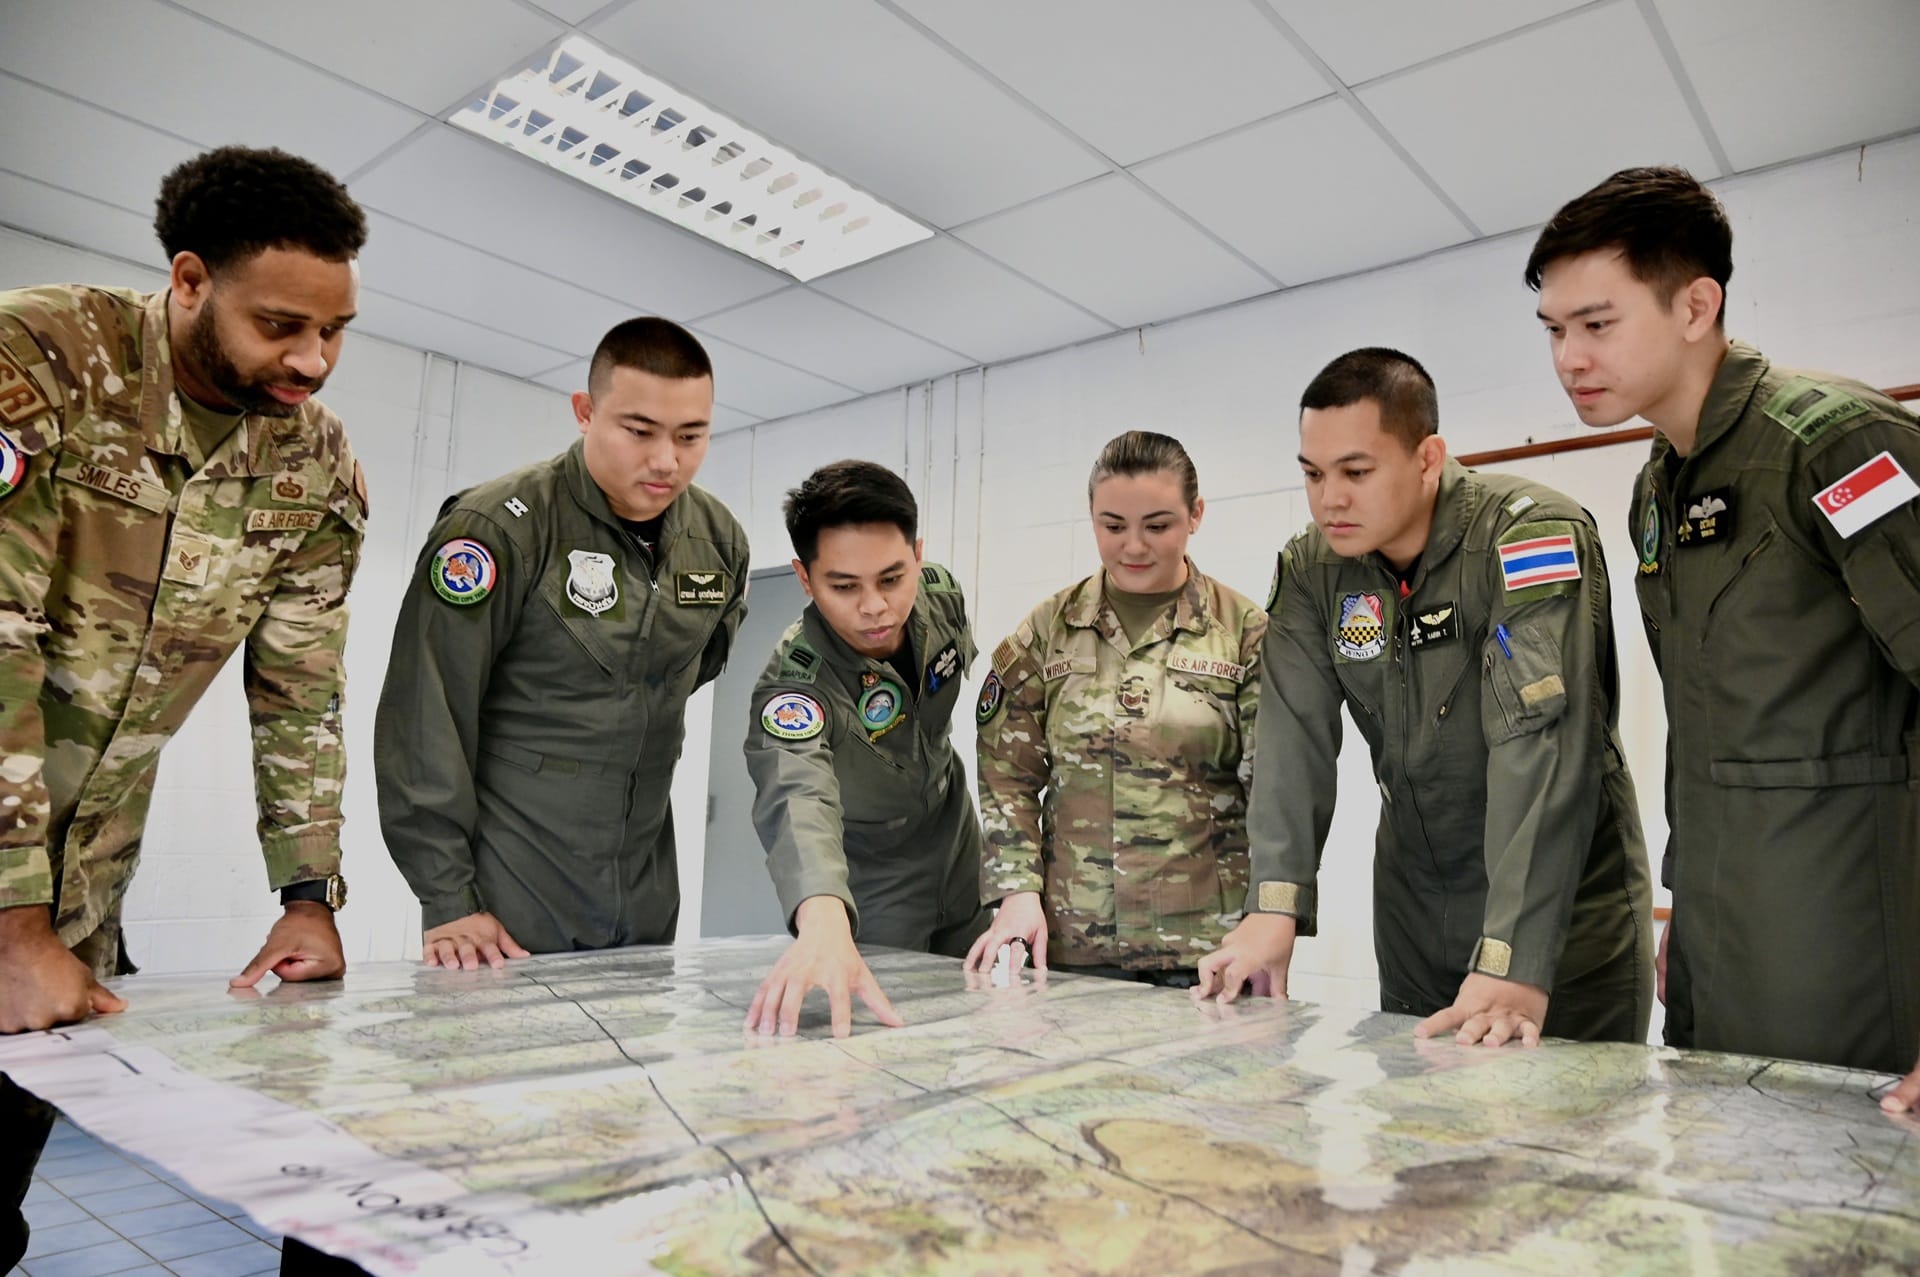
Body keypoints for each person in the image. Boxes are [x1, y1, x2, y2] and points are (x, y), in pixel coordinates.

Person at [0, 145, 369, 1271]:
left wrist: (309, 895)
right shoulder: (39, 360)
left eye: (338, 328)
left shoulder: (315, 465)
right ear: (192, 279)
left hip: (77, 903)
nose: (313, 360)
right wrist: (9, 921)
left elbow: (301, 687)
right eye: (281, 326)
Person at [1526, 166, 1920, 1107]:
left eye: (1597, 323)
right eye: (1553, 330)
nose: (1568, 356)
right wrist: (1687, 911)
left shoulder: (1834, 446)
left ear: (1696, 304)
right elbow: (1708, 737)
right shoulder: (1659, 487)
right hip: (1723, 944)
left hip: (1857, 952)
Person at [1194, 349, 1654, 1049]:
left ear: (1427, 458)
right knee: (1423, 1144)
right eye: (1313, 474)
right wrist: (1272, 908)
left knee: (1568, 1144)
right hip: (1416, 914)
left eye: (1355, 471)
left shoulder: (1526, 535)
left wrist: (1512, 955)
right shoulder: (1314, 569)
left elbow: (1540, 746)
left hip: (1562, 923)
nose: (1330, 499)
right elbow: (1290, 739)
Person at [375, 318, 746, 966]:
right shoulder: (498, 527)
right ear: (586, 411)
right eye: (639, 431)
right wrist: (448, 899)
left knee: (636, 1067)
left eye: (692, 435)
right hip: (509, 901)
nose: (667, 459)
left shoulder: (719, 541)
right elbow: (424, 717)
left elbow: (695, 667)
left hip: (647, 896)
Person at [969, 431, 1266, 987]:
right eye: (1113, 526)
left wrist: (1270, 918)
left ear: (1195, 514)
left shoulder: (1242, 632)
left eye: (1158, 526)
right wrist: (1016, 890)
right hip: (1070, 942)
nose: (1134, 546)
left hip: (1208, 946)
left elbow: (1276, 789)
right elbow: (1006, 775)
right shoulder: (1049, 629)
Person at [743, 460, 989, 1037]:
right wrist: (824, 916)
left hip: (958, 843)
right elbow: (796, 797)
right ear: (806, 580)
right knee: (885, 1035)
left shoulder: (942, 596)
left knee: (978, 1014)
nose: (875, 606)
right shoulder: (796, 681)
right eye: (844, 586)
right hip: (873, 875)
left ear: (918, 555)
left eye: (891, 578)